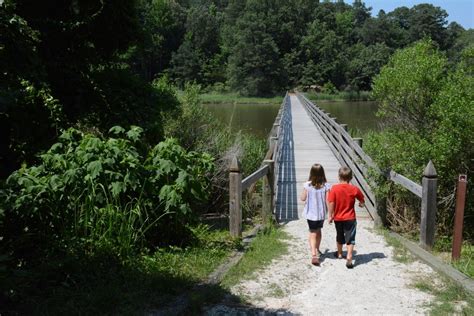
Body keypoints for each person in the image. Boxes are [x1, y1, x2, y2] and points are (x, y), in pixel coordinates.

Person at [328, 166, 365, 269]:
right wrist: (361, 205)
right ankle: (349, 255)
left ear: (339, 176)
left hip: (338, 218)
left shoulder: (334, 188)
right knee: (350, 238)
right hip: (350, 218)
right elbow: (362, 201)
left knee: (339, 235)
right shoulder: (354, 189)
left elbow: (331, 202)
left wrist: (330, 215)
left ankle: (339, 254)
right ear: (351, 177)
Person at [300, 163, 331, 266]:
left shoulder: (307, 185)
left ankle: (314, 253)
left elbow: (302, 198)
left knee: (312, 232)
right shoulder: (326, 185)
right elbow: (328, 200)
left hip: (311, 214)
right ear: (322, 173)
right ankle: (316, 250)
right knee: (318, 232)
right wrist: (330, 214)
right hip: (321, 214)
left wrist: (306, 191)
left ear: (311, 173)